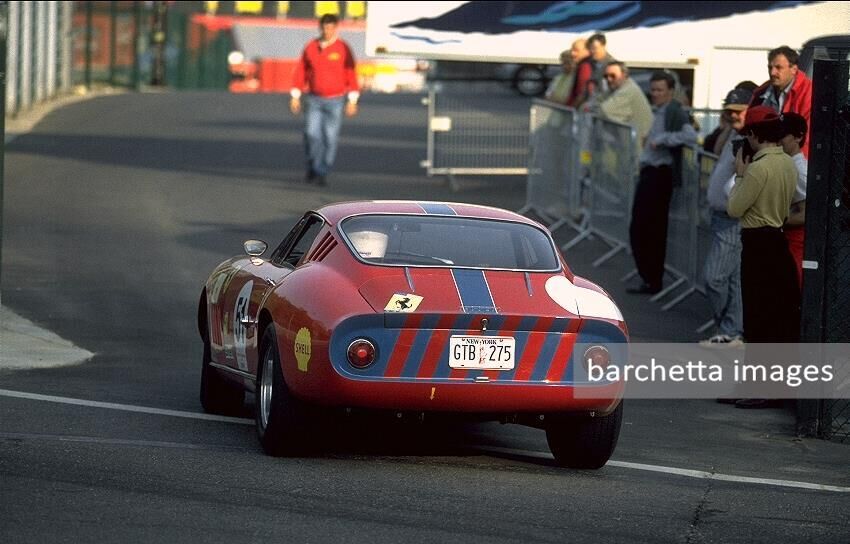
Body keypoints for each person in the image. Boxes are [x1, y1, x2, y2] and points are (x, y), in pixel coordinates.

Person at [626, 70, 698, 294]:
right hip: (650, 172)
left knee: (651, 229)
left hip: (660, 175)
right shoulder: (660, 111)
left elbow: (690, 136)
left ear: (670, 91)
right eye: (653, 89)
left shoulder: (674, 111)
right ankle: (648, 276)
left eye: (659, 90)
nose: (655, 94)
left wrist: (663, 139)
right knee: (641, 228)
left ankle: (652, 279)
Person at [699, 87, 752, 346]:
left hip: (733, 219)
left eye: (738, 111)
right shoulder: (734, 133)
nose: (733, 115)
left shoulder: (749, 139)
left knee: (715, 278)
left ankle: (729, 328)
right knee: (733, 281)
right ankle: (731, 332)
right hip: (721, 215)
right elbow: (714, 147)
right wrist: (729, 127)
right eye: (729, 111)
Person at [290, 13, 360, 186]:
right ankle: (312, 165)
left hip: (335, 100)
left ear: (336, 28)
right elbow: (301, 71)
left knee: (330, 137)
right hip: (314, 99)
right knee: (311, 134)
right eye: (324, 27)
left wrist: (352, 99)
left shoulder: (343, 48)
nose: (327, 31)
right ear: (319, 28)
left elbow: (351, 73)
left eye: (330, 28)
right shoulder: (311, 47)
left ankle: (322, 170)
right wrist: (295, 95)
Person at [749, 45, 812, 157]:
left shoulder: (808, 93)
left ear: (794, 69)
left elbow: (807, 137)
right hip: (764, 157)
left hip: (795, 160)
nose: (772, 72)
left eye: (779, 67)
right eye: (770, 67)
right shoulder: (760, 93)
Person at [780, 112, 808, 287]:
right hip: (785, 240)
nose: (777, 139)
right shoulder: (787, 165)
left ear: (798, 137)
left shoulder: (800, 171)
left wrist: (773, 220)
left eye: (782, 134)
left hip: (795, 242)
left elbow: (805, 214)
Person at [596, 61, 653, 143]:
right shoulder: (615, 88)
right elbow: (595, 101)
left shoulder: (629, 90)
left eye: (613, 76)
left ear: (624, 75)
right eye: (606, 76)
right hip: (628, 144)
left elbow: (603, 111)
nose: (609, 79)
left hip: (637, 146)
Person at [566, 38, 593, 108]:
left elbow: (582, 92)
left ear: (587, 50)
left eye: (576, 50)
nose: (572, 53)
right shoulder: (585, 65)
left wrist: (572, 108)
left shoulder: (585, 66)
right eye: (572, 50)